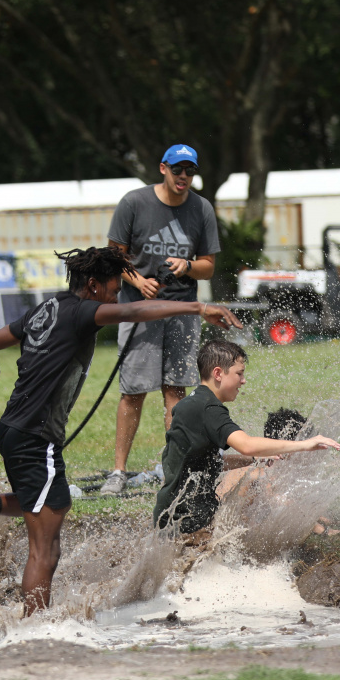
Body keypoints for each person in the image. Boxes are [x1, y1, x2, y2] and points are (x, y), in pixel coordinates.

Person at [0, 246, 242, 616]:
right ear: (93, 285)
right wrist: (198, 308)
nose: (115, 298)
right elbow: (133, 311)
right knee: (45, 549)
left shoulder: (44, 309)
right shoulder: (82, 311)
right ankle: (35, 628)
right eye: (113, 290)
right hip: (36, 438)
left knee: (53, 503)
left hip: (14, 429)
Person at [100, 144, 221, 496]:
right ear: (163, 168)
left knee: (176, 391)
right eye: (177, 169)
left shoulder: (201, 208)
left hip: (182, 311)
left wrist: (187, 265)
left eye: (190, 171)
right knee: (133, 391)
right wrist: (139, 281)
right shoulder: (134, 203)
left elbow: (208, 266)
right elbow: (113, 256)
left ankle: (174, 470)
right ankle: (118, 472)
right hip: (138, 309)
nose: (184, 176)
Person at [154, 341, 339, 535]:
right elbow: (246, 444)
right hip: (188, 520)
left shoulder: (194, 402)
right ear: (218, 373)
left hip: (173, 515)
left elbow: (205, 464)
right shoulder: (209, 408)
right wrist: (304, 444)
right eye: (239, 373)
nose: (243, 381)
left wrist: (254, 459)